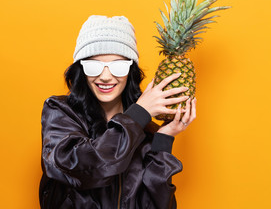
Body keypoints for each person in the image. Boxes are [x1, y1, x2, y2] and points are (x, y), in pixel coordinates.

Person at [39, 15, 196, 209]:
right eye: (93, 65)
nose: (105, 76)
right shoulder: (60, 112)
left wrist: (163, 138)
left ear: (131, 70)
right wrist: (139, 115)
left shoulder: (144, 130)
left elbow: (157, 205)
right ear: (80, 69)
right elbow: (80, 168)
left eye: (118, 65)